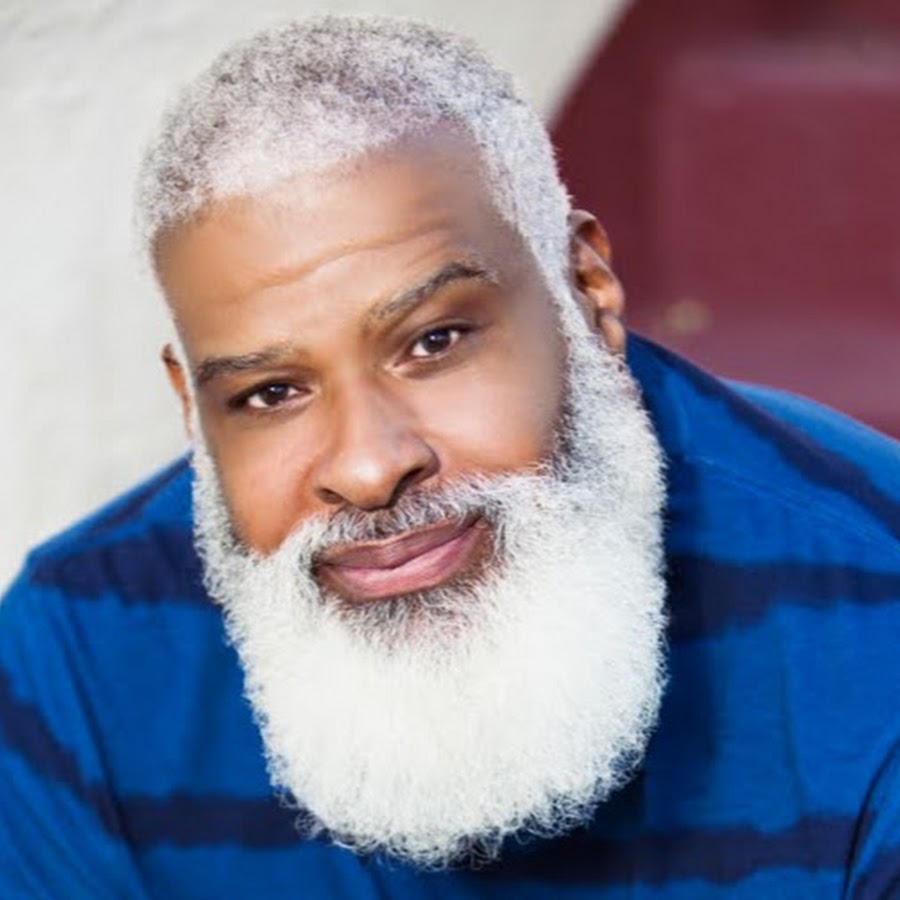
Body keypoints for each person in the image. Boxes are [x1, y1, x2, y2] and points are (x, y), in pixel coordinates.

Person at [1, 15, 898, 899]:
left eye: (434, 342)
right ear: (194, 411)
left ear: (585, 293)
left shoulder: (872, 605)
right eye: (270, 393)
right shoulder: (79, 651)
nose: (366, 467)